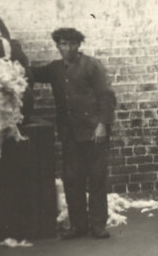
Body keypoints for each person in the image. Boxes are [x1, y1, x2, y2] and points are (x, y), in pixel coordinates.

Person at [30, 27, 117, 239]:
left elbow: (106, 96)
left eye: (71, 44)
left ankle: (97, 225)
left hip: (93, 132)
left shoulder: (91, 66)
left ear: (79, 45)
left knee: (96, 178)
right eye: (63, 44)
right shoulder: (55, 69)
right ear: (57, 46)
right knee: (72, 179)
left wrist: (102, 125)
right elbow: (33, 73)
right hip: (70, 135)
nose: (67, 48)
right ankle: (78, 226)